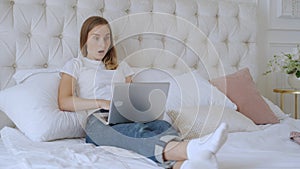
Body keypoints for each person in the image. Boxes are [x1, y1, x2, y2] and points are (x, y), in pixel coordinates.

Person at [58, 16, 228, 169]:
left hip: (125, 116)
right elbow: (64, 102)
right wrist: (101, 102)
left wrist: (143, 108)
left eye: (107, 37)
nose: (103, 44)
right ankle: (190, 149)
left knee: (163, 126)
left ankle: (183, 164)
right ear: (85, 40)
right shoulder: (76, 65)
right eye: (96, 38)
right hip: (97, 121)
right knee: (136, 134)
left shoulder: (121, 67)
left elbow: (131, 96)